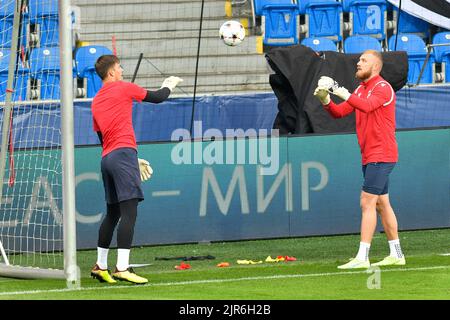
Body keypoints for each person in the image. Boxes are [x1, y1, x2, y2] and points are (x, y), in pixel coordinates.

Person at [90, 54, 183, 283]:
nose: (122, 71)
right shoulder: (122, 87)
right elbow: (158, 98)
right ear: (111, 72)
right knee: (129, 211)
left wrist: (133, 158)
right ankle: (122, 268)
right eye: (119, 67)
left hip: (108, 157)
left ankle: (100, 265)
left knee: (113, 213)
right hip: (122, 155)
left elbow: (103, 137)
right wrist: (168, 85)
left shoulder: (95, 101)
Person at [313, 50, 405, 269]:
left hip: (381, 153)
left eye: (364, 60)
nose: (358, 62)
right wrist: (326, 99)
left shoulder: (382, 88)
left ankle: (362, 257)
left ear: (375, 66)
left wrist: (337, 89)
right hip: (370, 154)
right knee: (382, 204)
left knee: (367, 202)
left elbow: (367, 106)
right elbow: (339, 112)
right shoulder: (360, 89)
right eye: (359, 59)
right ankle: (397, 254)